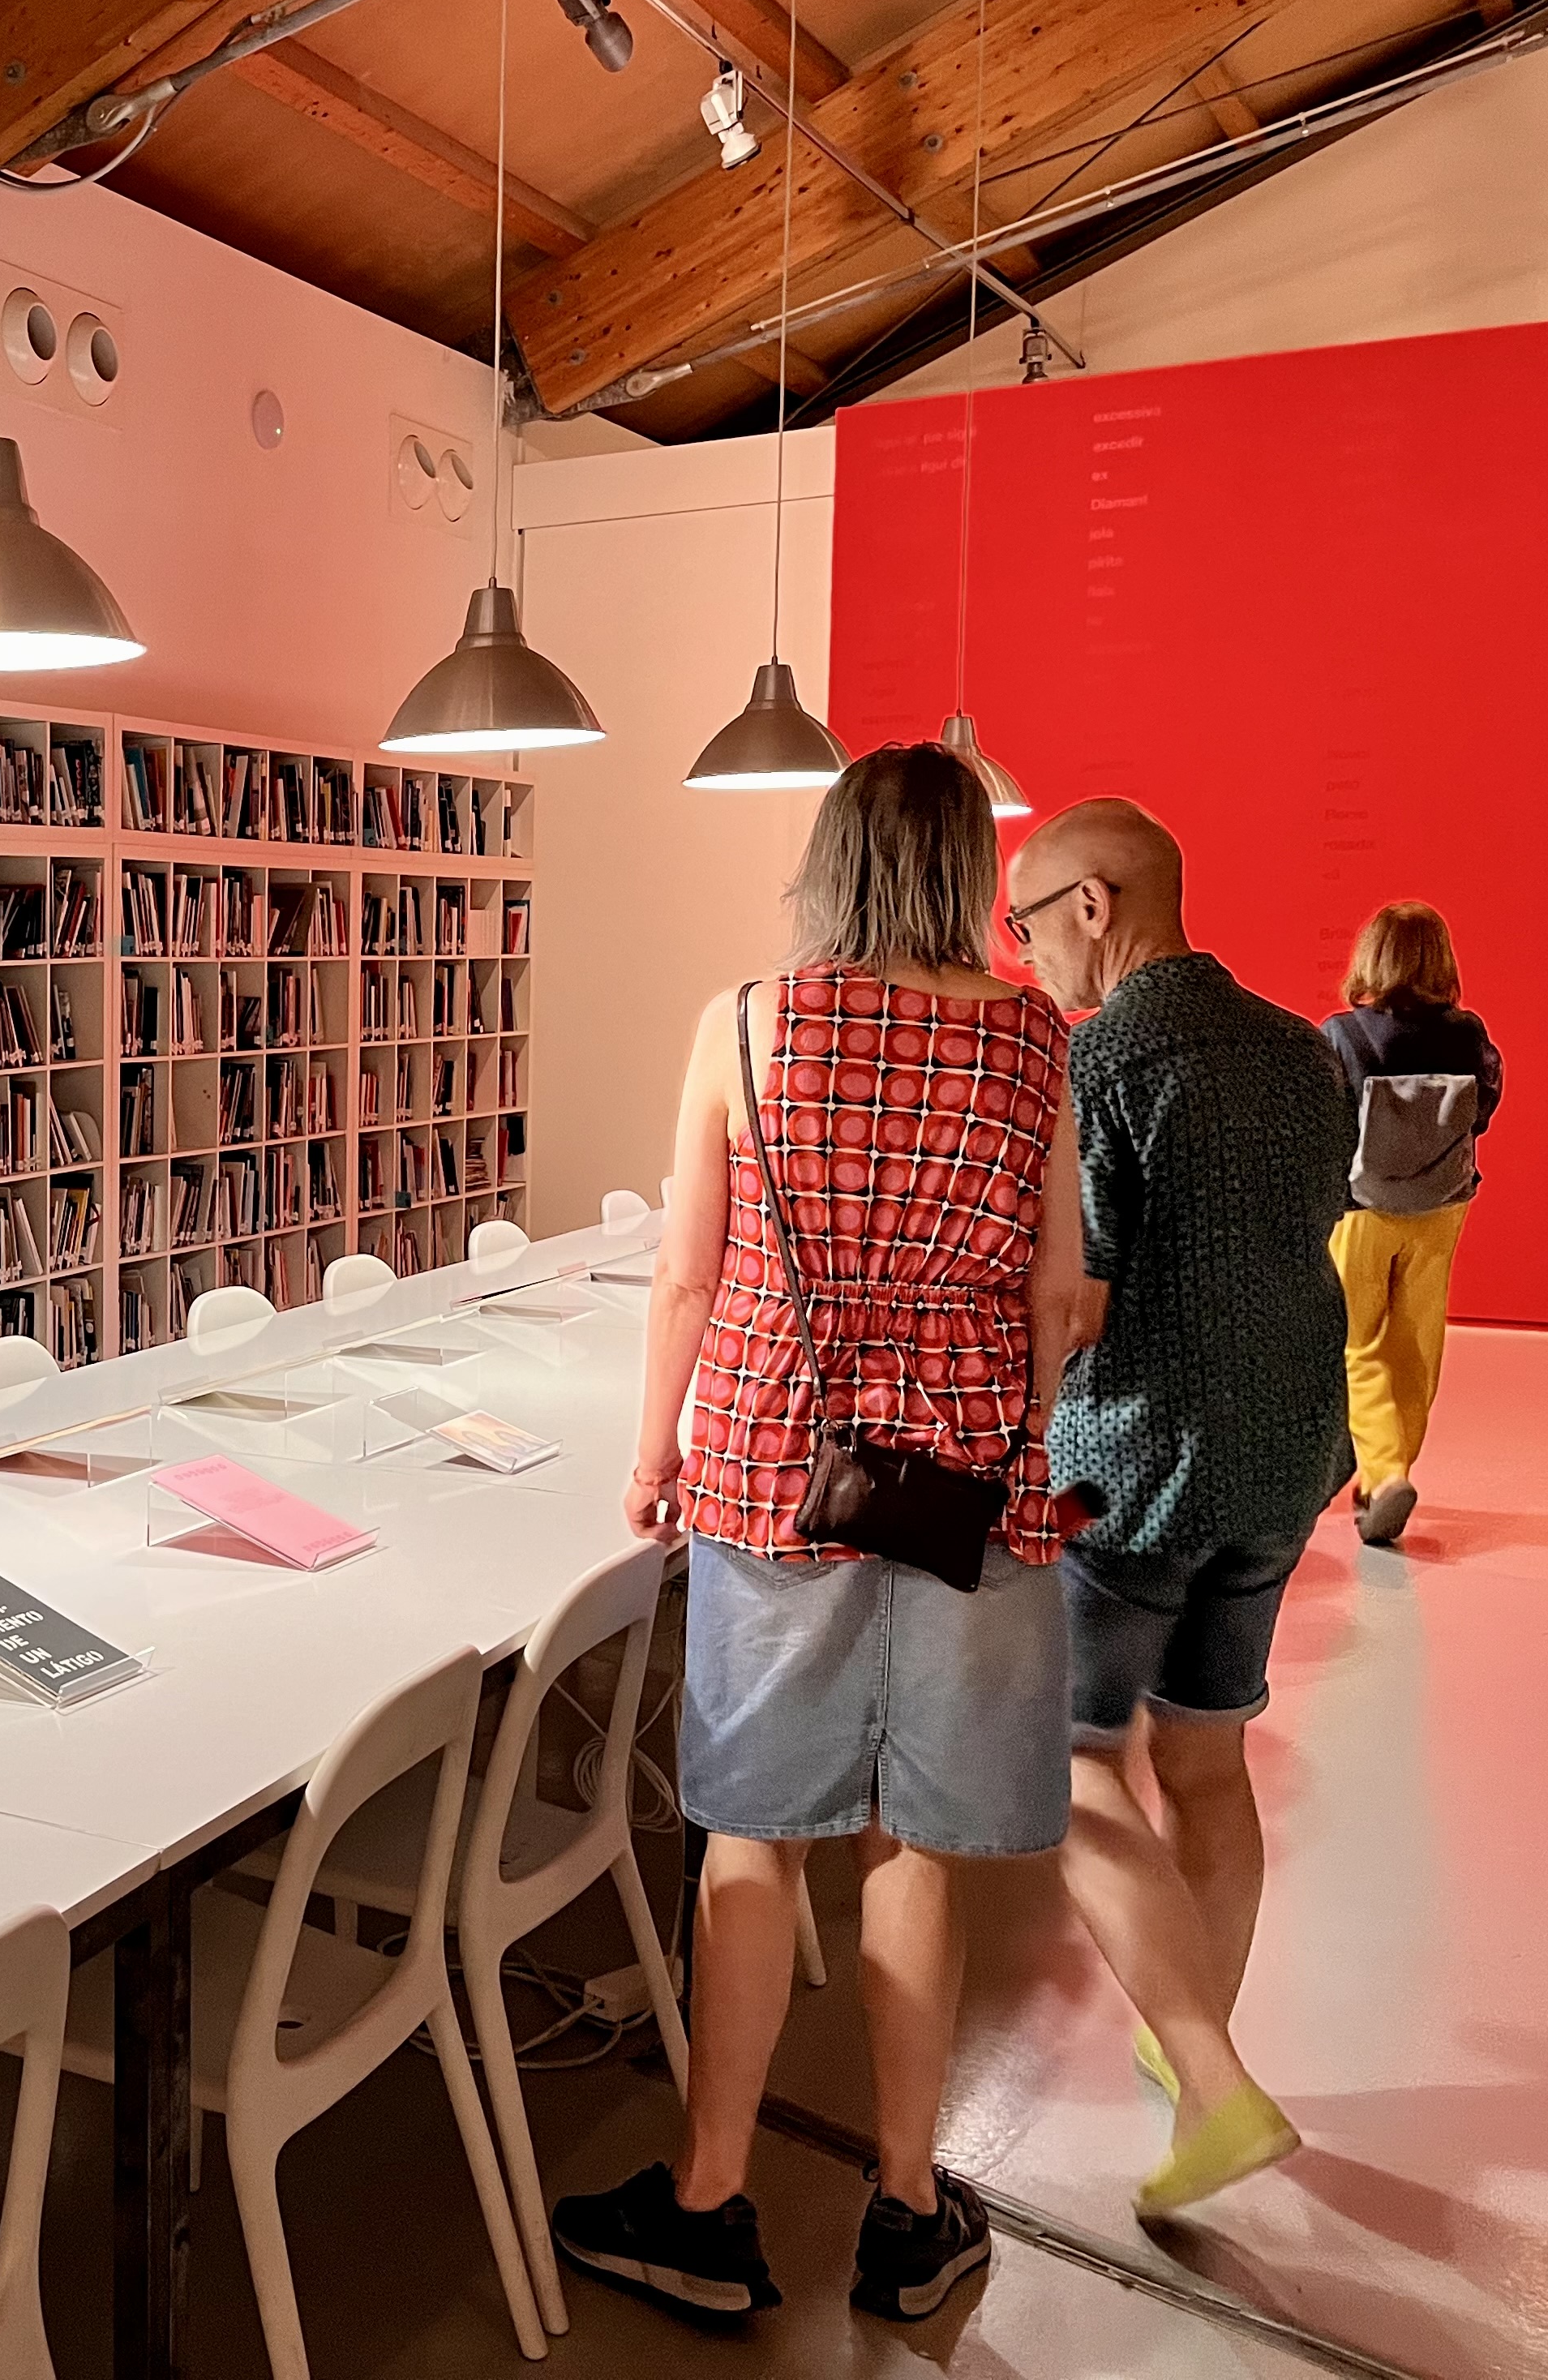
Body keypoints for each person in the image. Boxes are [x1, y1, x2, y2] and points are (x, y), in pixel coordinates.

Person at [555, 746, 1078, 2326]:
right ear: (966, 868)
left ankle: (707, 2204)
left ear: (832, 857)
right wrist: (1014, 1430)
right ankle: (909, 2211)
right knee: (915, 1838)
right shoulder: (1037, 1040)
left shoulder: (744, 1021)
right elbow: (1056, 1289)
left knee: (752, 1834)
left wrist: (652, 1452)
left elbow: (689, 1274)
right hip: (969, 1474)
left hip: (777, 1459)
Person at [1005, 797, 1352, 2216]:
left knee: (1073, 1762)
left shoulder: (1099, 1062)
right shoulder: (1305, 1049)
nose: (1024, 955)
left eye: (1026, 922)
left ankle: (1211, 2082)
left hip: (1137, 1469)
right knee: (1209, 1762)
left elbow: (1076, 1300)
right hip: (1286, 1454)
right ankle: (1193, 2037)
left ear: (1092, 905)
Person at [1321, 900, 1500, 1547]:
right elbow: (1484, 1107)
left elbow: (1324, 1118)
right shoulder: (1468, 1033)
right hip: (1443, 1206)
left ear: (1371, 956)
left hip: (1361, 1209)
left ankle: (1385, 1471)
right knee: (1416, 1344)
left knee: (1356, 1343)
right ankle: (1389, 1472)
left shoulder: (1343, 1035)